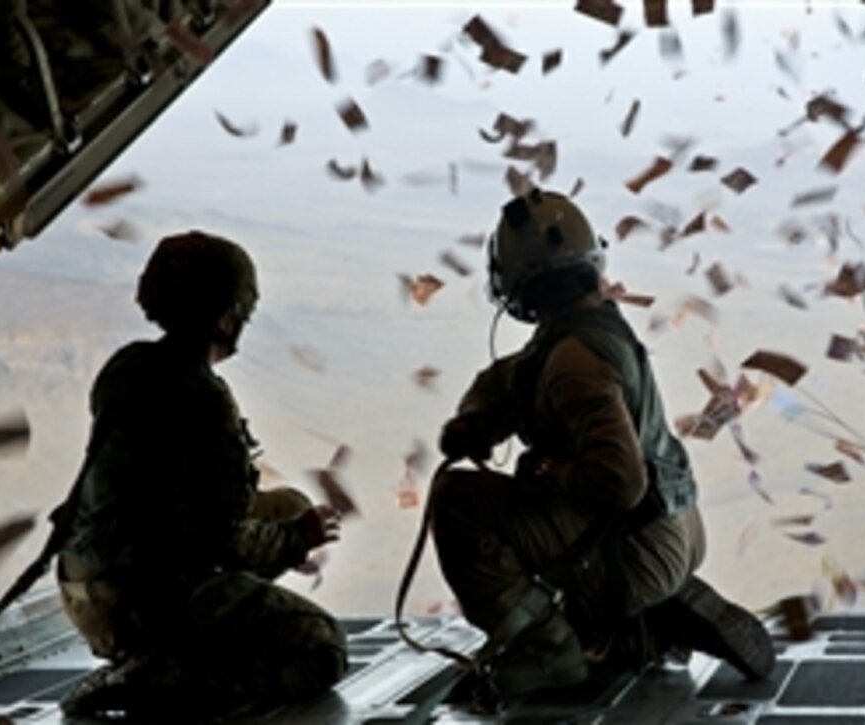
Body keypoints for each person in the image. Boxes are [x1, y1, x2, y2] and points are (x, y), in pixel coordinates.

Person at [430, 189, 775, 702]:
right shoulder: (588, 331)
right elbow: (516, 379)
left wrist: (550, 473)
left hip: (634, 549)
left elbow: (620, 482)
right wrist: (474, 422)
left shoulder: (574, 360)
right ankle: (655, 620)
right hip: (674, 529)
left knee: (456, 501)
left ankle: (545, 652)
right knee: (592, 626)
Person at [55, 231, 348, 718]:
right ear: (227, 316)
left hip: (85, 581)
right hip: (140, 602)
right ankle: (163, 674)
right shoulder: (203, 400)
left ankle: (173, 650)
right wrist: (298, 540)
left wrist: (291, 525)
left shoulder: (128, 367)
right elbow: (221, 541)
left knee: (289, 504)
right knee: (323, 649)